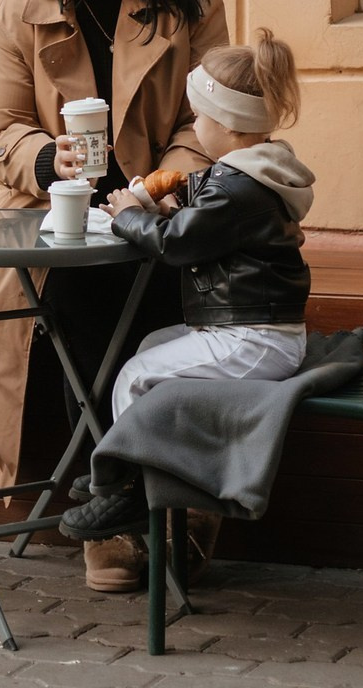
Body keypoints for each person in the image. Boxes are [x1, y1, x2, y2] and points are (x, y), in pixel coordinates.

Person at [0, 0, 230, 593]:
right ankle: (112, 511)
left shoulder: (191, 3)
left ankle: (177, 502)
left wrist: (159, 185)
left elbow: (208, 120)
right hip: (60, 224)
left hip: (165, 212)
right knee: (80, 302)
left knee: (178, 308)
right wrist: (48, 161)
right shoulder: (18, 10)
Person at [58, 27, 315, 544]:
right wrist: (170, 202)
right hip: (259, 330)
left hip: (253, 338)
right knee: (153, 345)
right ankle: (125, 466)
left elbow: (177, 244)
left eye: (199, 117)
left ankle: (132, 491)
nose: (194, 128)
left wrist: (129, 215)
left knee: (136, 374)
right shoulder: (252, 173)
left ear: (229, 124)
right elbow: (208, 221)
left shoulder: (237, 188)